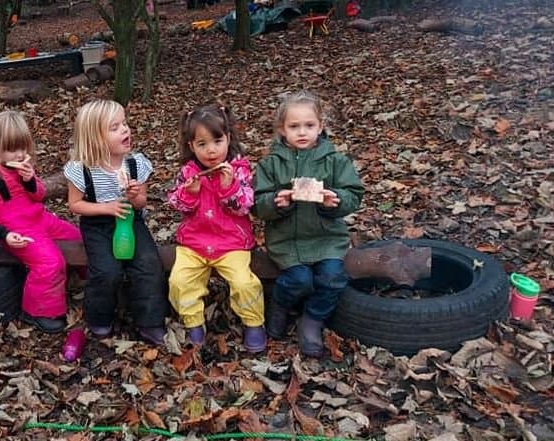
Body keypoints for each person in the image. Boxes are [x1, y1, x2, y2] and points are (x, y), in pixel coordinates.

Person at [253, 90, 364, 358]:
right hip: (286, 240)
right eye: (294, 126)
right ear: (282, 129)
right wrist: (275, 203)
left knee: (331, 278)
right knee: (298, 280)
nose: (302, 132)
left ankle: (312, 320)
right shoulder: (270, 164)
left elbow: (353, 194)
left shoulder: (335, 161)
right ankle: (280, 305)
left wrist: (335, 202)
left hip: (326, 237)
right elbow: (256, 203)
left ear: (320, 127)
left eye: (309, 125)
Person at [63, 99, 169, 345]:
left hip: (131, 221)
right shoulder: (82, 170)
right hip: (97, 225)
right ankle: (99, 319)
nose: (125, 130)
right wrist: (105, 207)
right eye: (115, 127)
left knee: (148, 265)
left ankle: (150, 321)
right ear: (95, 138)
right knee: (106, 271)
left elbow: (142, 202)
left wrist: (135, 197)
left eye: (125, 123)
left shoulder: (135, 164)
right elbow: (75, 205)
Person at [166, 104, 266, 352]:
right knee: (179, 281)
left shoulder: (239, 170)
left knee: (244, 283)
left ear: (228, 139)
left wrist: (229, 186)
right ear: (191, 146)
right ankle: (194, 324)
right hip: (195, 243)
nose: (211, 150)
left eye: (217, 141)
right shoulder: (188, 173)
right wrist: (189, 194)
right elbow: (175, 204)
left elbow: (245, 206)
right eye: (202, 144)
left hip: (231, 242)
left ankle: (253, 323)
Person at [0, 110, 81, 333]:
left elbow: (39, 195)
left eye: (23, 147)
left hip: (39, 218)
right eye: (13, 149)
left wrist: (30, 179)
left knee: (77, 238)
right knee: (50, 261)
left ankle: (73, 282)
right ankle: (37, 310)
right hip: (16, 228)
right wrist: (4, 234)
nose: (21, 154)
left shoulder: (22, 167)